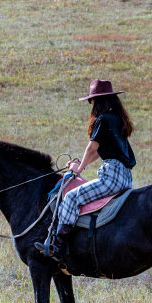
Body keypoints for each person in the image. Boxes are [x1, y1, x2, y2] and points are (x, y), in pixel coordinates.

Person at [35, 79, 135, 261]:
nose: (91, 104)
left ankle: (56, 245)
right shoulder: (117, 119)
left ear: (97, 101)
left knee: (73, 197)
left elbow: (92, 148)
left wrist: (78, 168)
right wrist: (82, 165)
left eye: (92, 101)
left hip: (112, 177)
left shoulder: (103, 120)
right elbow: (101, 151)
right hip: (125, 176)